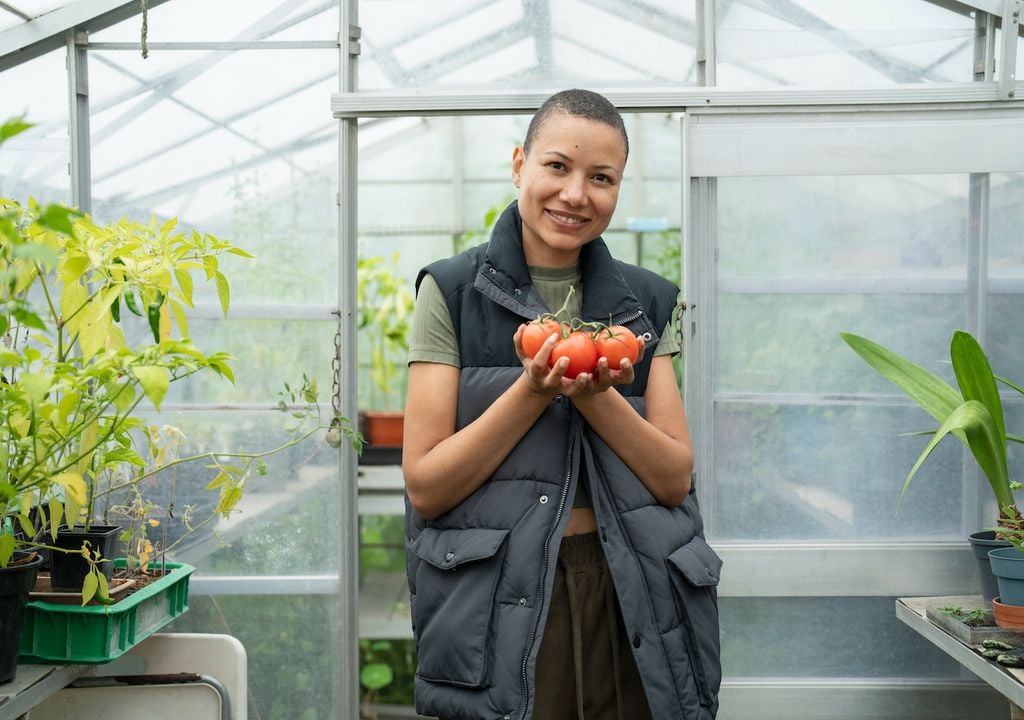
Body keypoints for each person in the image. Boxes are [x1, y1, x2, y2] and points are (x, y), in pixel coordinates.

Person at [402, 89, 721, 720]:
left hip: (634, 590)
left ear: (618, 188)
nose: (576, 194)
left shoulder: (651, 304)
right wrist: (532, 390)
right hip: (503, 596)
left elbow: (672, 478)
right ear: (519, 164)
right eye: (557, 166)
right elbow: (427, 486)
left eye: (601, 178)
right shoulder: (450, 291)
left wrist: (597, 398)